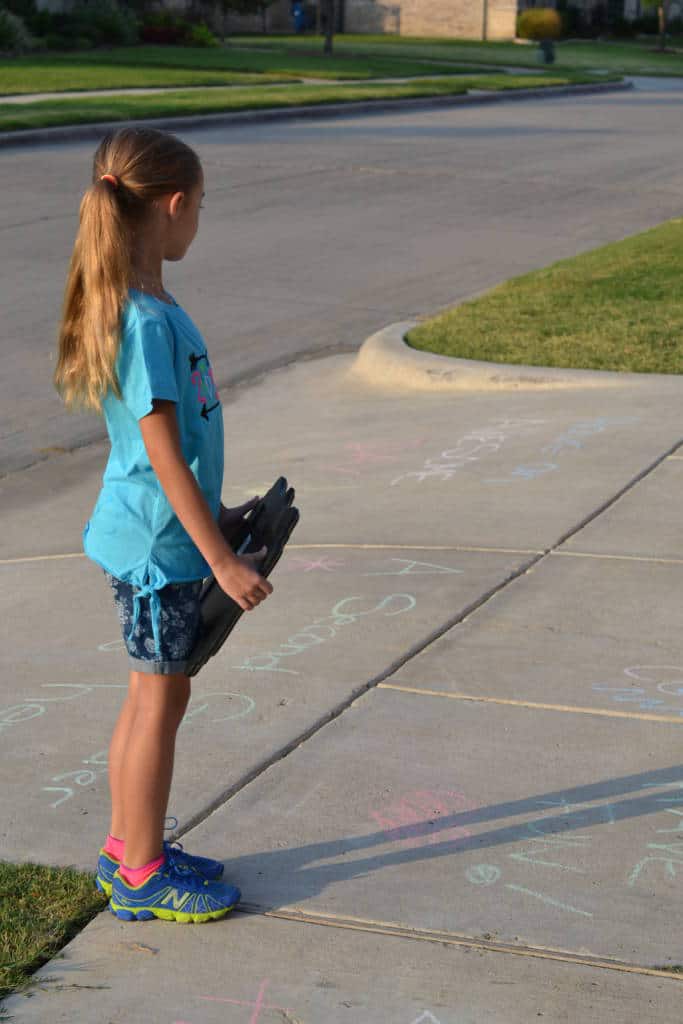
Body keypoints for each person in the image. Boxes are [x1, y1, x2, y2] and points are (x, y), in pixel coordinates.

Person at [54, 127, 273, 923]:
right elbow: (163, 455)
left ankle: (127, 843)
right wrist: (221, 559)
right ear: (174, 206)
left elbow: (178, 458)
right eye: (200, 206)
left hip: (167, 534)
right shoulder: (143, 320)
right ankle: (142, 871)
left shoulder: (147, 305)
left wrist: (218, 517)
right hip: (159, 549)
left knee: (152, 695)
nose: (198, 219)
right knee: (159, 700)